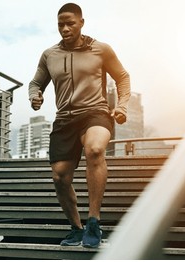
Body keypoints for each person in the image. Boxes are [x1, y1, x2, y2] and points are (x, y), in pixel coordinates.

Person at [28, 3, 131, 248]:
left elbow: (123, 77)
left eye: (70, 23)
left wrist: (122, 106)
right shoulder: (49, 54)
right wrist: (35, 96)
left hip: (95, 113)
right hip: (65, 119)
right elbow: (35, 82)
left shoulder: (101, 50)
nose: (65, 28)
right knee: (60, 177)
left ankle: (94, 221)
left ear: (81, 22)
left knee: (95, 149)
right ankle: (77, 228)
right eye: (60, 25)